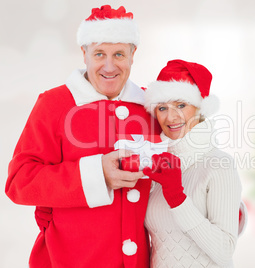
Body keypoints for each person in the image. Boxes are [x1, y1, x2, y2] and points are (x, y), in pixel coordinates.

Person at [5, 5, 160, 268]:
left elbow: (177, 170)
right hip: (71, 260)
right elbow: (19, 182)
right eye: (100, 53)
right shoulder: (55, 104)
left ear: (133, 55)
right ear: (84, 53)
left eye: (119, 54)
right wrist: (97, 173)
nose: (109, 66)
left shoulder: (152, 107)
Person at [141, 59, 244, 267]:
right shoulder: (158, 167)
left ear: (200, 108)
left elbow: (225, 250)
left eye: (181, 105)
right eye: (162, 108)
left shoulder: (219, 164)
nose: (171, 117)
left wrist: (177, 198)